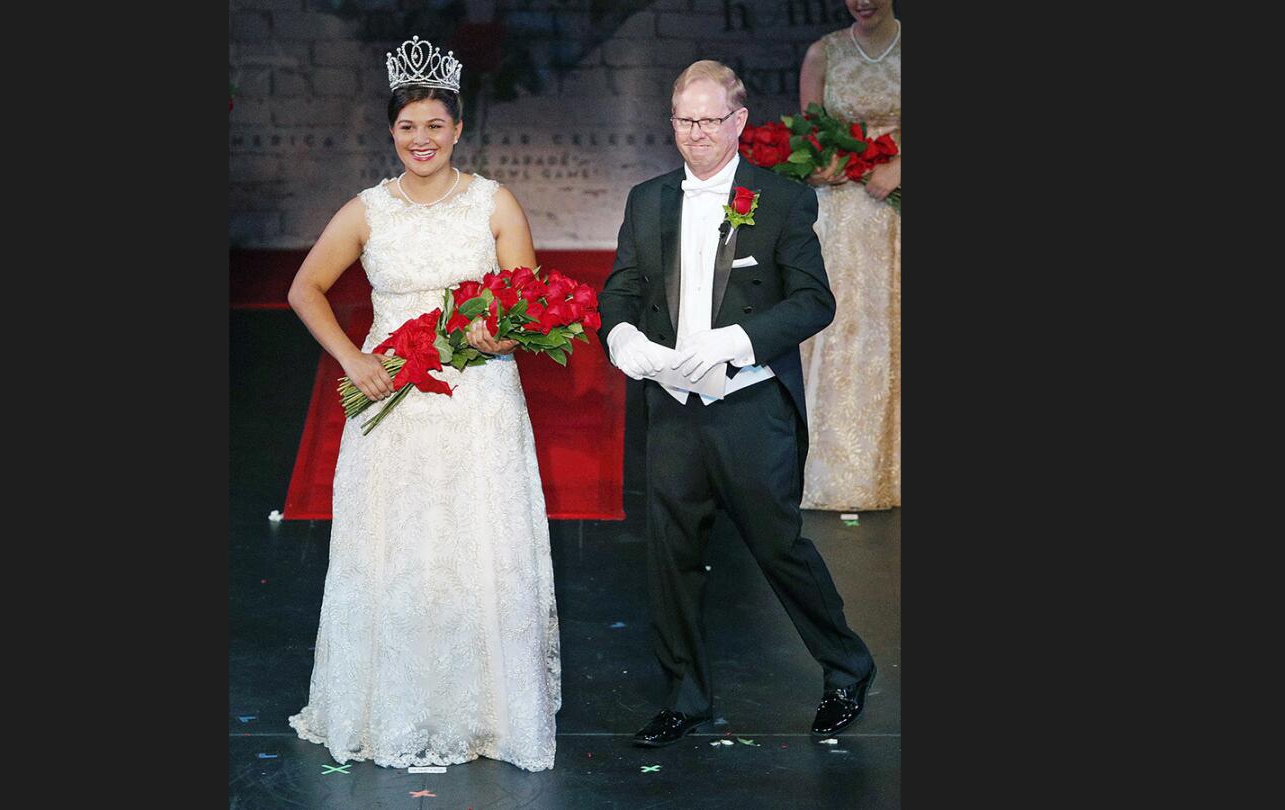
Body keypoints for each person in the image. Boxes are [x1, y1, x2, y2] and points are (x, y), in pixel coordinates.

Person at [284, 36, 560, 772]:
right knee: (396, 547)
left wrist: (492, 329)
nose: (421, 139)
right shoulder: (368, 210)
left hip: (478, 399)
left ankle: (491, 712)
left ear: (459, 128)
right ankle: (391, 702)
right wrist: (354, 357)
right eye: (408, 126)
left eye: (435, 125)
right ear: (390, 131)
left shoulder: (494, 203)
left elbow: (527, 306)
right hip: (393, 401)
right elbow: (303, 289)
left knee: (475, 542)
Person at [597, 60, 876, 746]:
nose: (696, 134)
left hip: (748, 405)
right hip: (671, 406)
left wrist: (737, 340)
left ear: (739, 121)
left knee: (777, 546)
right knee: (672, 553)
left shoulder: (778, 199)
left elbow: (814, 301)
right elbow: (622, 287)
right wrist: (620, 332)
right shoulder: (648, 198)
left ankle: (846, 665)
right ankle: (685, 696)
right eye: (684, 120)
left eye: (709, 120)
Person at [796, 0, 901, 510]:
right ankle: (839, 470)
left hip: (896, 202)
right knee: (843, 325)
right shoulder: (825, 53)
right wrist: (821, 165)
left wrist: (901, 168)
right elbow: (808, 136)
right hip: (841, 212)